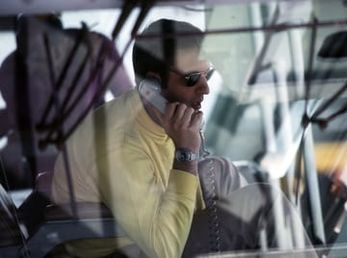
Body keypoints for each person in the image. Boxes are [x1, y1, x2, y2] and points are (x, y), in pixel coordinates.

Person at [50, 19, 315, 258]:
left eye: (207, 74)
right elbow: (164, 250)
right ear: (152, 86)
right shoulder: (119, 144)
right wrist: (186, 152)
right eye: (191, 79)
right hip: (124, 251)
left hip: (141, 231)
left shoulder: (150, 112)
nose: (206, 88)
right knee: (263, 205)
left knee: (218, 170)